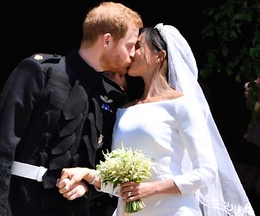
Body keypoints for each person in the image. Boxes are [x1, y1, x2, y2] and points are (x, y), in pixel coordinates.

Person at [57, 24, 255, 216]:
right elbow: (120, 186)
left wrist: (151, 188)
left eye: (138, 46)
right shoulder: (124, 110)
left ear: (160, 56)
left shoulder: (182, 105)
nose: (132, 53)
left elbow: (206, 172)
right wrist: (88, 174)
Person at [0, 2, 143, 216]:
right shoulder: (39, 72)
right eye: (130, 45)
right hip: (18, 203)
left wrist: (88, 187)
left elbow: (106, 166)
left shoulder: (113, 97)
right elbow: (0, 148)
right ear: (107, 40)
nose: (133, 54)